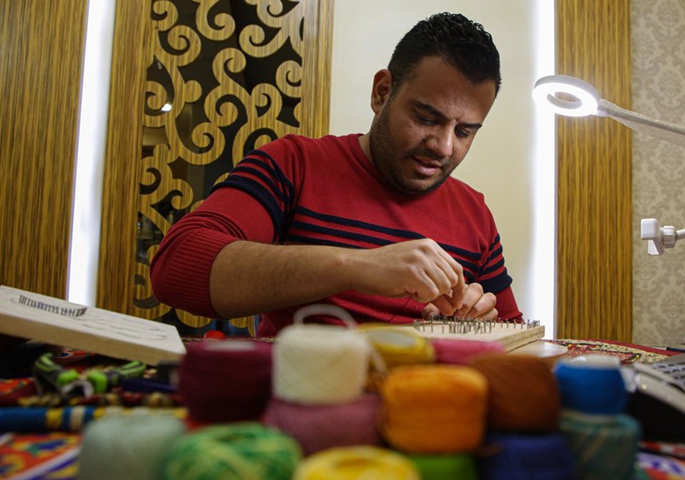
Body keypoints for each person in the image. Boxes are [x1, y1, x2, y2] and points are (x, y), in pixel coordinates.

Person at [150, 12, 523, 337]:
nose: (443, 146)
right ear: (382, 92)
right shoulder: (294, 164)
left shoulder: (475, 214)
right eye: (427, 118)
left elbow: (515, 336)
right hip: (307, 401)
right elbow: (176, 268)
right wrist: (357, 266)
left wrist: (476, 321)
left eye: (464, 132)